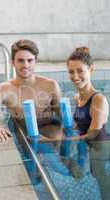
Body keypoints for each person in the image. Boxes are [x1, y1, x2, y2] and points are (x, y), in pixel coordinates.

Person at [0, 39, 62, 142]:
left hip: (50, 133)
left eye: (30, 60)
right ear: (12, 62)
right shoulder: (4, 90)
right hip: (25, 137)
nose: (25, 65)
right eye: (20, 60)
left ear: (36, 61)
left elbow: (64, 118)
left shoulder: (50, 86)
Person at [66, 46, 110, 200]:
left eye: (80, 71)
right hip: (88, 148)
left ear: (91, 70)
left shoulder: (99, 99)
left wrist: (58, 140)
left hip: (101, 147)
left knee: (101, 178)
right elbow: (79, 126)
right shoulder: (77, 97)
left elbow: (92, 133)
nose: (75, 76)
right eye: (71, 71)